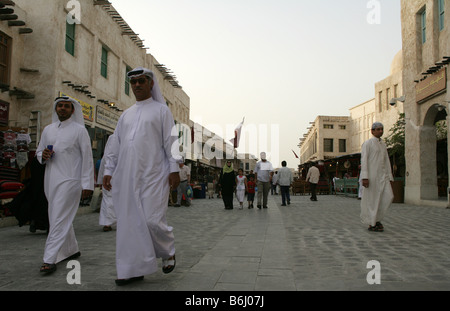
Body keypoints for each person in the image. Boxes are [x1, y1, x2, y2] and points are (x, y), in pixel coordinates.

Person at [103, 67, 180, 285]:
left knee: (152, 220)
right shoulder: (126, 115)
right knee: (129, 224)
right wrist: (108, 170)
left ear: (151, 84)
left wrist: (174, 169)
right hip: (127, 177)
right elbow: (115, 145)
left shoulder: (161, 111)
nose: (137, 85)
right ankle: (131, 269)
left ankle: (168, 251)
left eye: (141, 81)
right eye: (133, 81)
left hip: (155, 175)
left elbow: (171, 142)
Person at [36, 96, 94, 274]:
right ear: (56, 109)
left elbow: (87, 159)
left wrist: (88, 184)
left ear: (72, 110)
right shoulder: (48, 130)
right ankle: (71, 249)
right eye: (59, 106)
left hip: (71, 181)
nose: (62, 109)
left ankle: (49, 258)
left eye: (66, 106)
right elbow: (39, 151)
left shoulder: (79, 131)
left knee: (58, 218)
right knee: (57, 215)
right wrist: (42, 155)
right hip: (51, 180)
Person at [360, 122, 394, 232]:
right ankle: (372, 222)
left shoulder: (383, 144)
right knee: (372, 200)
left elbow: (386, 161)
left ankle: (377, 219)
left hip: (383, 176)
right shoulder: (368, 144)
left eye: (382, 129)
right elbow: (364, 160)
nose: (380, 131)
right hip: (372, 176)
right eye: (378, 129)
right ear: (372, 131)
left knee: (388, 197)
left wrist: (390, 176)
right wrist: (365, 177)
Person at [97, 136, 117, 232]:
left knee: (109, 199)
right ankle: (107, 223)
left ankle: (107, 223)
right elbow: (107, 158)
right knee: (108, 198)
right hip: (110, 174)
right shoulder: (113, 138)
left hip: (115, 174)